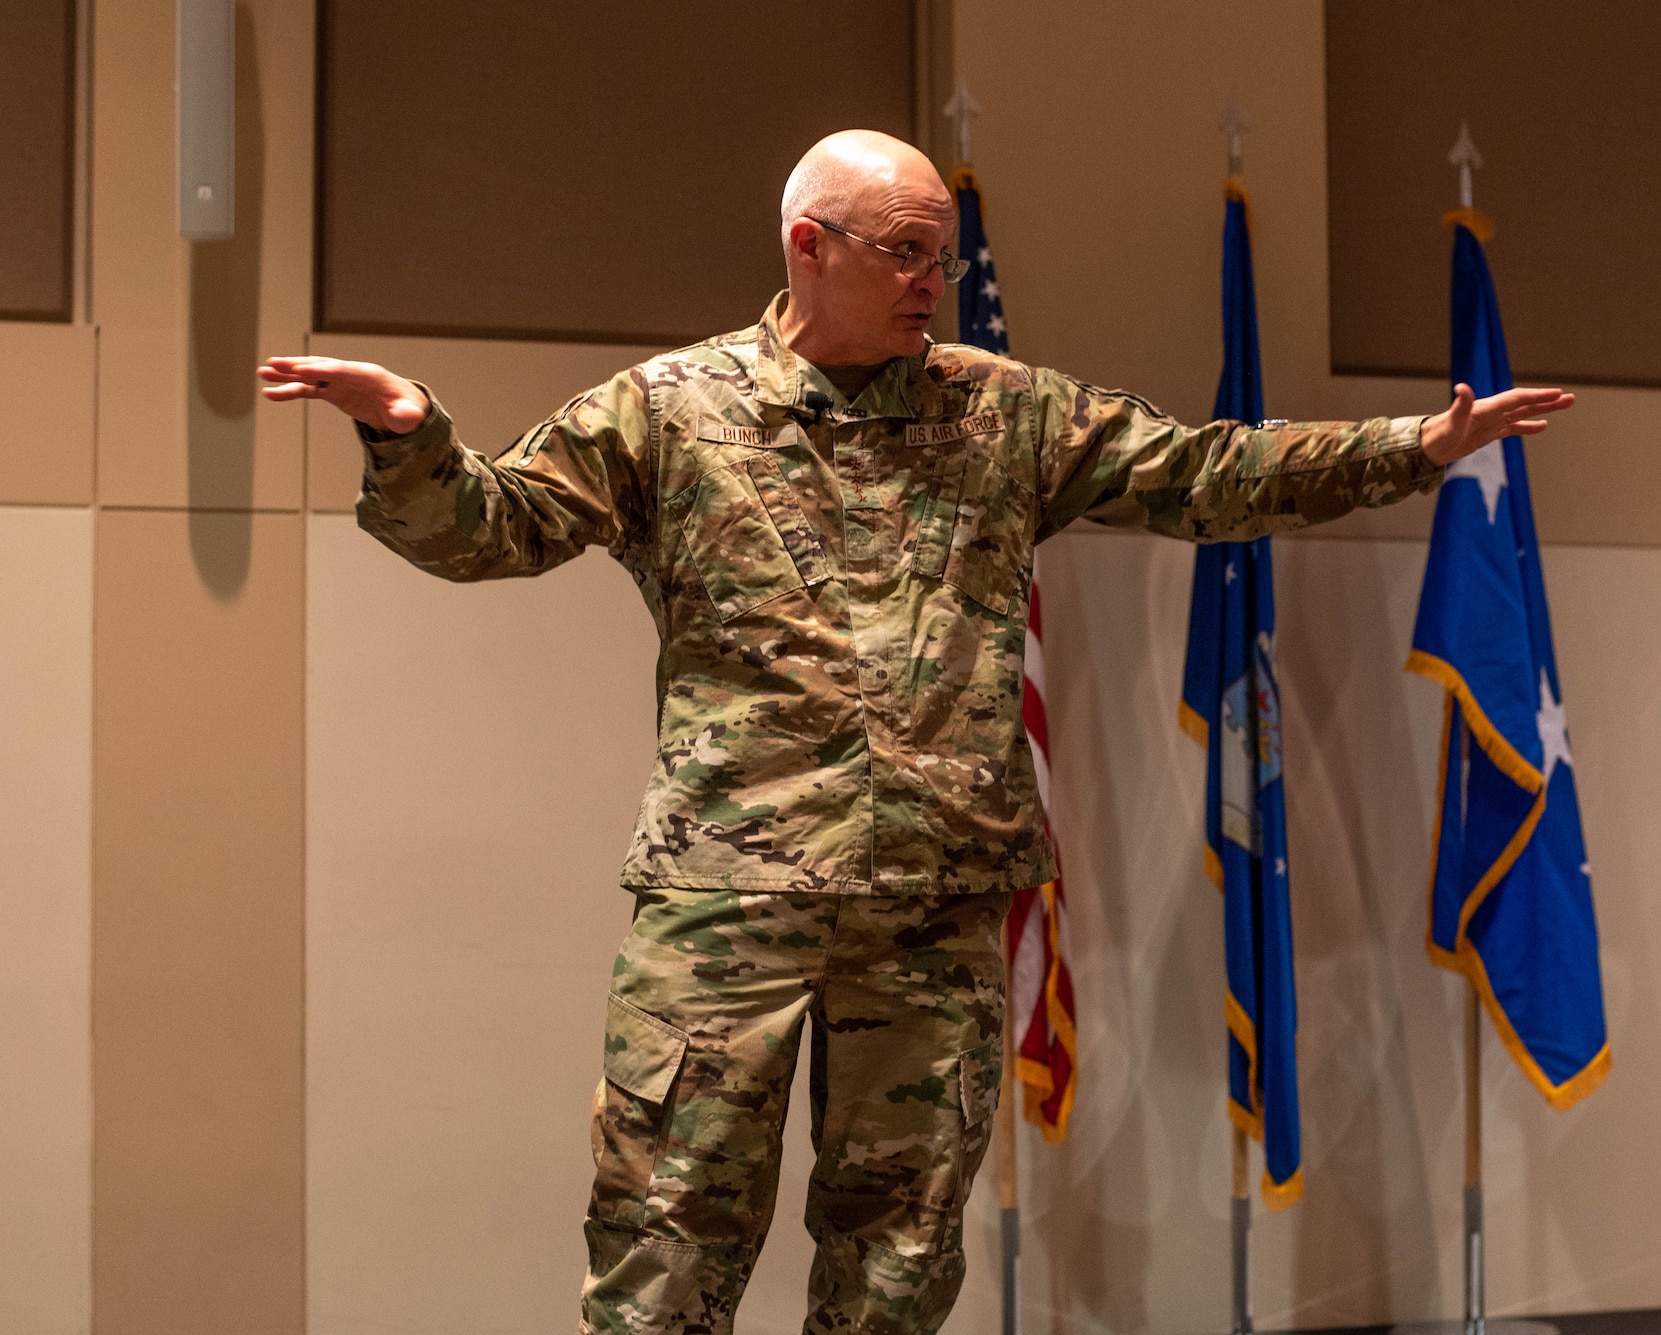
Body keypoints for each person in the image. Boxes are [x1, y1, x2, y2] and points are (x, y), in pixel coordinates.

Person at [259, 129, 1571, 1335]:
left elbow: (1205, 474)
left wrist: (1419, 444)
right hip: (731, 906)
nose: (930, 281)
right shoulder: (670, 411)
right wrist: (409, 434)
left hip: (936, 902)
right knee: (664, 1245)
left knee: (899, 1261)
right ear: (807, 248)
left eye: (942, 256)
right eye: (904, 252)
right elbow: (493, 530)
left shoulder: (1004, 412)